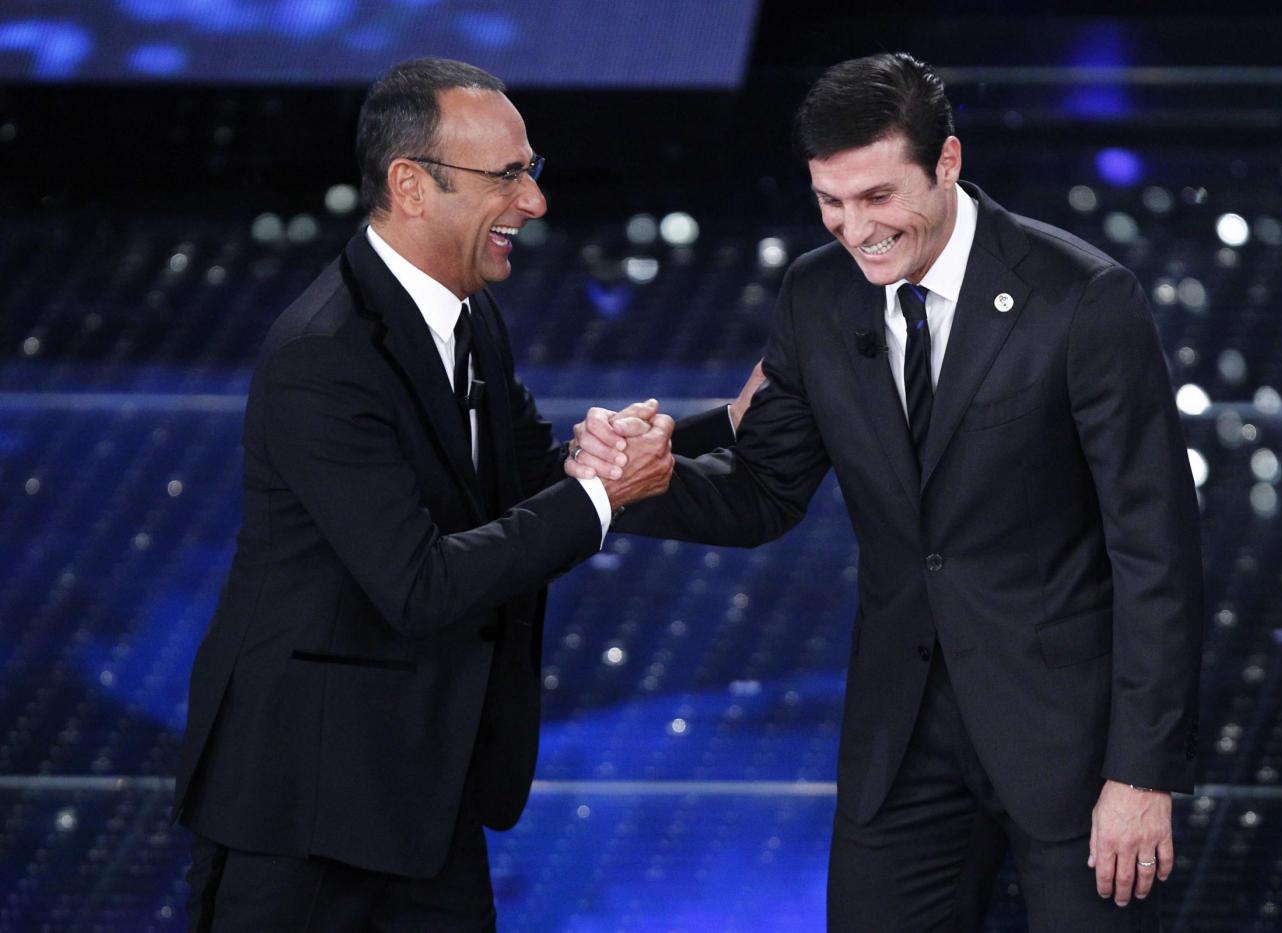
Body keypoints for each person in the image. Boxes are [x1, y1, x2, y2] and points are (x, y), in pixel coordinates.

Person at [569, 52, 1203, 932]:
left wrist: (1142, 771)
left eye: (877, 197)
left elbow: (1157, 551)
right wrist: (639, 484)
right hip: (901, 739)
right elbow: (764, 492)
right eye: (830, 201)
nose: (854, 228)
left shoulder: (1082, 299)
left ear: (947, 161)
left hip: (1072, 743)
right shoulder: (817, 296)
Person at [172, 58, 703, 930]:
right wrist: (601, 496)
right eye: (507, 176)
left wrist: (722, 425)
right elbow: (417, 584)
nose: (535, 201)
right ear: (410, 185)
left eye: (532, 170)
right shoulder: (323, 356)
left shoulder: (467, 314)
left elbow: (536, 476)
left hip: (420, 793)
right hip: (302, 816)